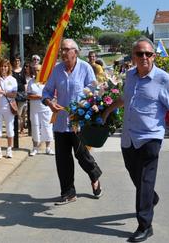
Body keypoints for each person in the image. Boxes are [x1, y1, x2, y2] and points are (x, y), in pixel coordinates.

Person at [102, 37, 169, 242]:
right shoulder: (130, 76)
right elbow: (125, 99)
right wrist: (107, 111)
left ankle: (145, 225)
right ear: (133, 56)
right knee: (136, 176)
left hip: (151, 137)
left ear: (154, 56)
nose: (144, 57)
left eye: (148, 54)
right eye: (139, 54)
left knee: (144, 179)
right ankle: (151, 197)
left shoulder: (163, 79)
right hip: (129, 137)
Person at [42, 38, 103, 205]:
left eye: (66, 49)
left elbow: (93, 92)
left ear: (75, 52)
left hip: (79, 122)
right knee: (62, 159)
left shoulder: (85, 68)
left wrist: (84, 108)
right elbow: (46, 92)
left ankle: (94, 174)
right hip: (60, 122)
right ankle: (68, 192)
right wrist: (50, 102)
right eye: (61, 49)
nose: (62, 52)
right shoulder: (57, 70)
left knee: (81, 154)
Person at [0, 58, 17, 159]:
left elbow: (14, 94)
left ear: (8, 68)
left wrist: (3, 92)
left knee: (9, 129)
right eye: (2, 66)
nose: (3, 68)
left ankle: (9, 149)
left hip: (8, 107)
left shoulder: (12, 80)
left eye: (5, 66)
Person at [27, 64, 54, 156]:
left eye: (38, 70)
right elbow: (29, 95)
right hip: (34, 109)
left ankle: (48, 148)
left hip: (46, 108)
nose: (36, 72)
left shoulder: (47, 81)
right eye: (35, 70)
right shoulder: (31, 82)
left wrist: (44, 97)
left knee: (47, 127)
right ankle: (35, 148)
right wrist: (39, 97)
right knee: (35, 127)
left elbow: (51, 95)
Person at [11, 55, 27, 134]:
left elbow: (24, 83)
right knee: (13, 112)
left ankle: (20, 129)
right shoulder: (10, 71)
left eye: (18, 61)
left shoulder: (22, 71)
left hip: (21, 94)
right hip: (12, 94)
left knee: (20, 113)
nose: (17, 62)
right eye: (15, 60)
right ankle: (15, 130)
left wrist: (26, 93)